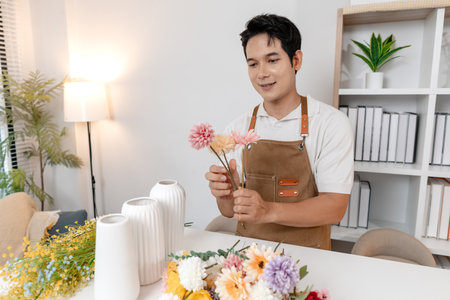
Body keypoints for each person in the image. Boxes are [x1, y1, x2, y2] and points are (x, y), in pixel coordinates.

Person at [205, 14, 354, 250]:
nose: (261, 73)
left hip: (310, 259)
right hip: (249, 257)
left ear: (296, 60)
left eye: (272, 60)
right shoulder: (237, 128)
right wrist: (223, 195)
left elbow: (335, 207)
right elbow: (229, 212)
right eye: (253, 64)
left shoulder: (331, 123)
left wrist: (268, 210)